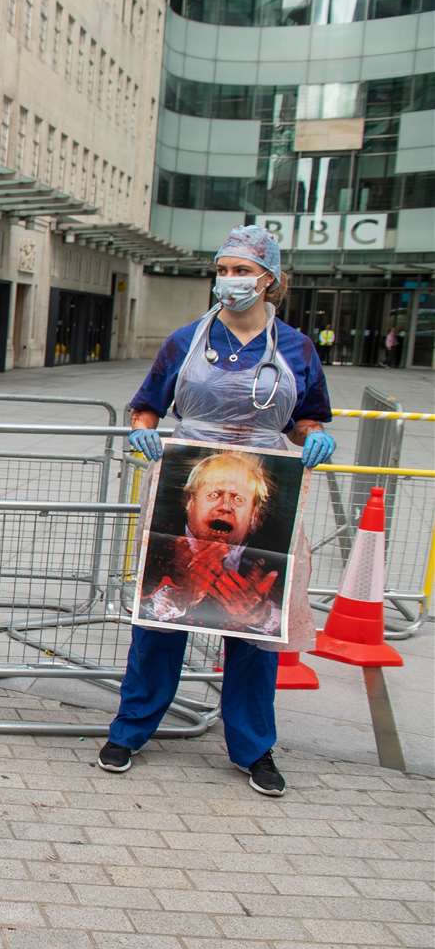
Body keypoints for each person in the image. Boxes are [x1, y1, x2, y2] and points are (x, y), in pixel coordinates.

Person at [112, 224, 333, 797]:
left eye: (242, 271)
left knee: (254, 623)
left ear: (270, 280)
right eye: (223, 269)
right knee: (164, 615)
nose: (230, 281)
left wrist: (314, 438)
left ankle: (254, 748)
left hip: (264, 492)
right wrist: (143, 434)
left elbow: (309, 414)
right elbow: (146, 406)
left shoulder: (296, 349)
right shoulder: (185, 341)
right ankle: (131, 729)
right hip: (188, 485)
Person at [139, 451, 283, 636]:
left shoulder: (275, 558)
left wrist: (261, 615)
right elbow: (142, 610)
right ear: (189, 501)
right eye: (214, 494)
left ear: (255, 515)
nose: (225, 506)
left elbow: (284, 623)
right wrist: (175, 597)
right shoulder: (156, 542)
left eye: (238, 499)